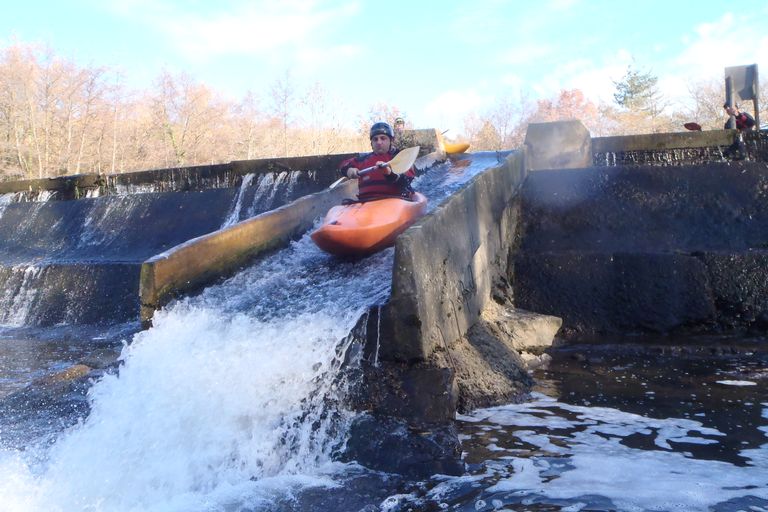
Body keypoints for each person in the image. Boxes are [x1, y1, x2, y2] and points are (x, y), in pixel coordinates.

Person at [338, 121, 416, 201]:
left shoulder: (401, 157)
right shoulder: (363, 159)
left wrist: (389, 174)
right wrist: (349, 170)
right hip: (365, 202)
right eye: (375, 139)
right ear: (371, 143)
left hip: (395, 200)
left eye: (383, 138)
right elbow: (343, 165)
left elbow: (407, 181)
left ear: (391, 140)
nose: (379, 142)